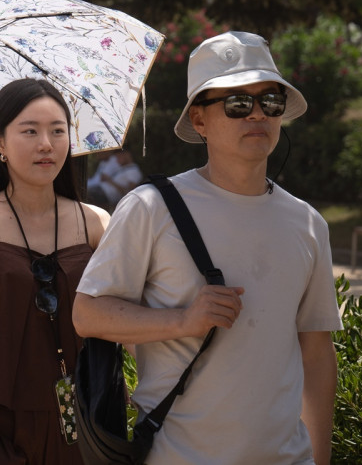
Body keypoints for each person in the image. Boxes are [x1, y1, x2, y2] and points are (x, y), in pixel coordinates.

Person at [73, 31, 342, 464]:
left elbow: (316, 351)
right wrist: (183, 319)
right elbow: (87, 314)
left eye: (270, 102)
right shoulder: (151, 208)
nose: (257, 115)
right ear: (199, 121)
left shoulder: (308, 224)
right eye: (237, 104)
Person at [0, 78, 109, 464]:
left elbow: (122, 311)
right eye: (30, 131)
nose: (46, 145)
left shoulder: (95, 222)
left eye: (57, 131)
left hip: (82, 410)